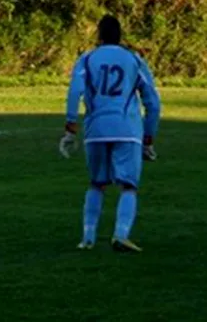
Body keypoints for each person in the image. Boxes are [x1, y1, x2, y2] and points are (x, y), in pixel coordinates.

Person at [60, 15, 161, 252]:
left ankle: (88, 238)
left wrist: (70, 126)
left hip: (96, 130)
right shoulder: (133, 60)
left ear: (99, 35)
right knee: (128, 186)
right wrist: (148, 137)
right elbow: (153, 102)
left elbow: (75, 91)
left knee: (96, 184)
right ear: (120, 35)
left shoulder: (87, 59)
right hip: (128, 131)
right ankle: (120, 234)